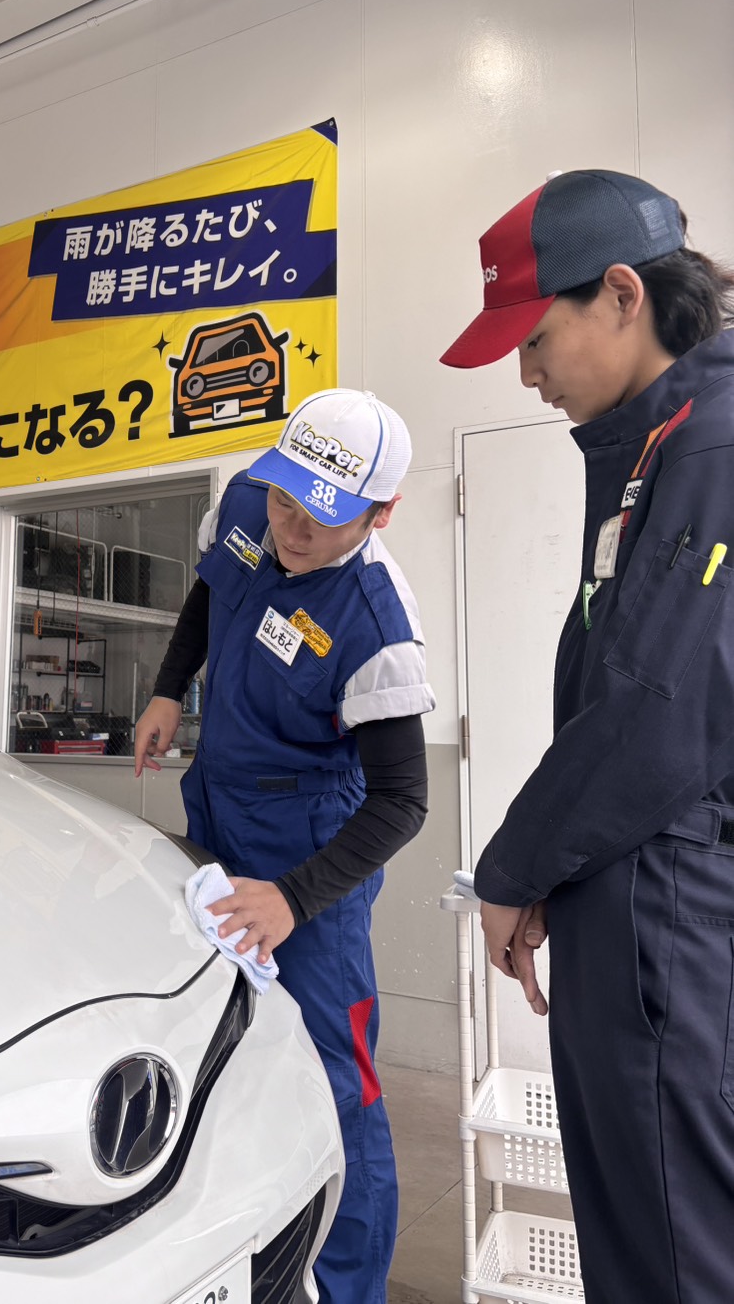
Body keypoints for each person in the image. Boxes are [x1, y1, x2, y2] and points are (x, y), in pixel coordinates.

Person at [441, 169, 734, 1303]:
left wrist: (514, 870)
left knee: (673, 1248)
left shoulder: (710, 449)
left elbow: (657, 713)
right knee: (637, 1227)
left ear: (620, 293)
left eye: (533, 334)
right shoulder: (657, 445)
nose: (524, 371)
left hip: (670, 911)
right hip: (636, 900)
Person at [134, 388, 435, 1304]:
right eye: (283, 502)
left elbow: (402, 801)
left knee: (340, 1080)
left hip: (311, 849)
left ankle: (349, 1287)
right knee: (222, 1035)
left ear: (380, 513)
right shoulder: (243, 506)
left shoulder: (379, 627)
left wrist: (294, 899)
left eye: (320, 518)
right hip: (217, 807)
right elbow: (209, 596)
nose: (290, 530)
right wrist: (168, 688)